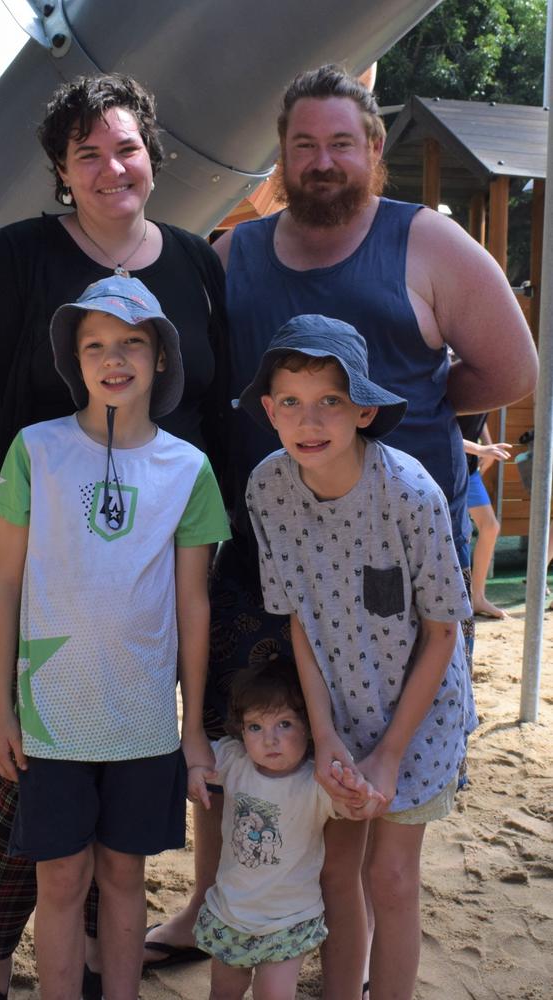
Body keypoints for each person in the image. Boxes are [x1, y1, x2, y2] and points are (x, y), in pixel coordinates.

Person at [144, 63, 538, 976]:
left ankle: (345, 957)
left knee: (369, 814)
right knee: (249, 738)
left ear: (373, 153)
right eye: (302, 146)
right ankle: (221, 901)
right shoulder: (240, 252)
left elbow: (509, 370)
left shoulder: (426, 244)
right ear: (280, 160)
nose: (322, 161)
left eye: (341, 143)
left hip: (392, 555)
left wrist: (414, 421)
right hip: (268, 543)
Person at [0, 73, 228, 999]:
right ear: (62, 169)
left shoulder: (191, 260)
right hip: (42, 552)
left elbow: (213, 402)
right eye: (87, 152)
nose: (112, 167)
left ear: (153, 153)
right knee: (32, 779)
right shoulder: (20, 254)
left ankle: (106, 962)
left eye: (127, 146)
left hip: (161, 548)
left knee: (118, 814)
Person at [0, 274, 230, 999]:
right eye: (94, 344)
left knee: (125, 874)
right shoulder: (36, 450)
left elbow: (193, 603)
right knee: (61, 877)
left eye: (131, 342)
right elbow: (4, 584)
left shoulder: (189, 468)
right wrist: (0, 709)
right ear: (74, 358)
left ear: (161, 358)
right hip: (52, 716)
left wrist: (191, 729)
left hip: (144, 720)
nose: (112, 357)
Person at [241, 314, 477, 1000]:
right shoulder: (267, 489)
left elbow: (442, 633)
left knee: (392, 878)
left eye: (330, 401)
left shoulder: (409, 493)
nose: (309, 419)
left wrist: (390, 755)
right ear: (268, 410)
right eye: (291, 401)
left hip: (418, 713)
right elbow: (300, 627)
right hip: (335, 708)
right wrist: (326, 736)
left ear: (364, 409)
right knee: (335, 872)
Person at [189, 658, 377, 1000]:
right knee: (223, 991)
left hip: (289, 920)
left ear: (309, 726)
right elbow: (197, 762)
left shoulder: (317, 783)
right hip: (231, 913)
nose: (269, 740)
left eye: (284, 724)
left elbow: (352, 807)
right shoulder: (233, 761)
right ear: (241, 731)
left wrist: (360, 794)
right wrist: (193, 774)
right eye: (255, 727)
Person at [458, 414, 512, 619]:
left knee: (490, 527)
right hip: (444, 466)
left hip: (469, 470)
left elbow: (479, 417)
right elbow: (441, 431)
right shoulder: (452, 386)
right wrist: (481, 449)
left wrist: (488, 445)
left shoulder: (483, 389)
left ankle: (477, 598)